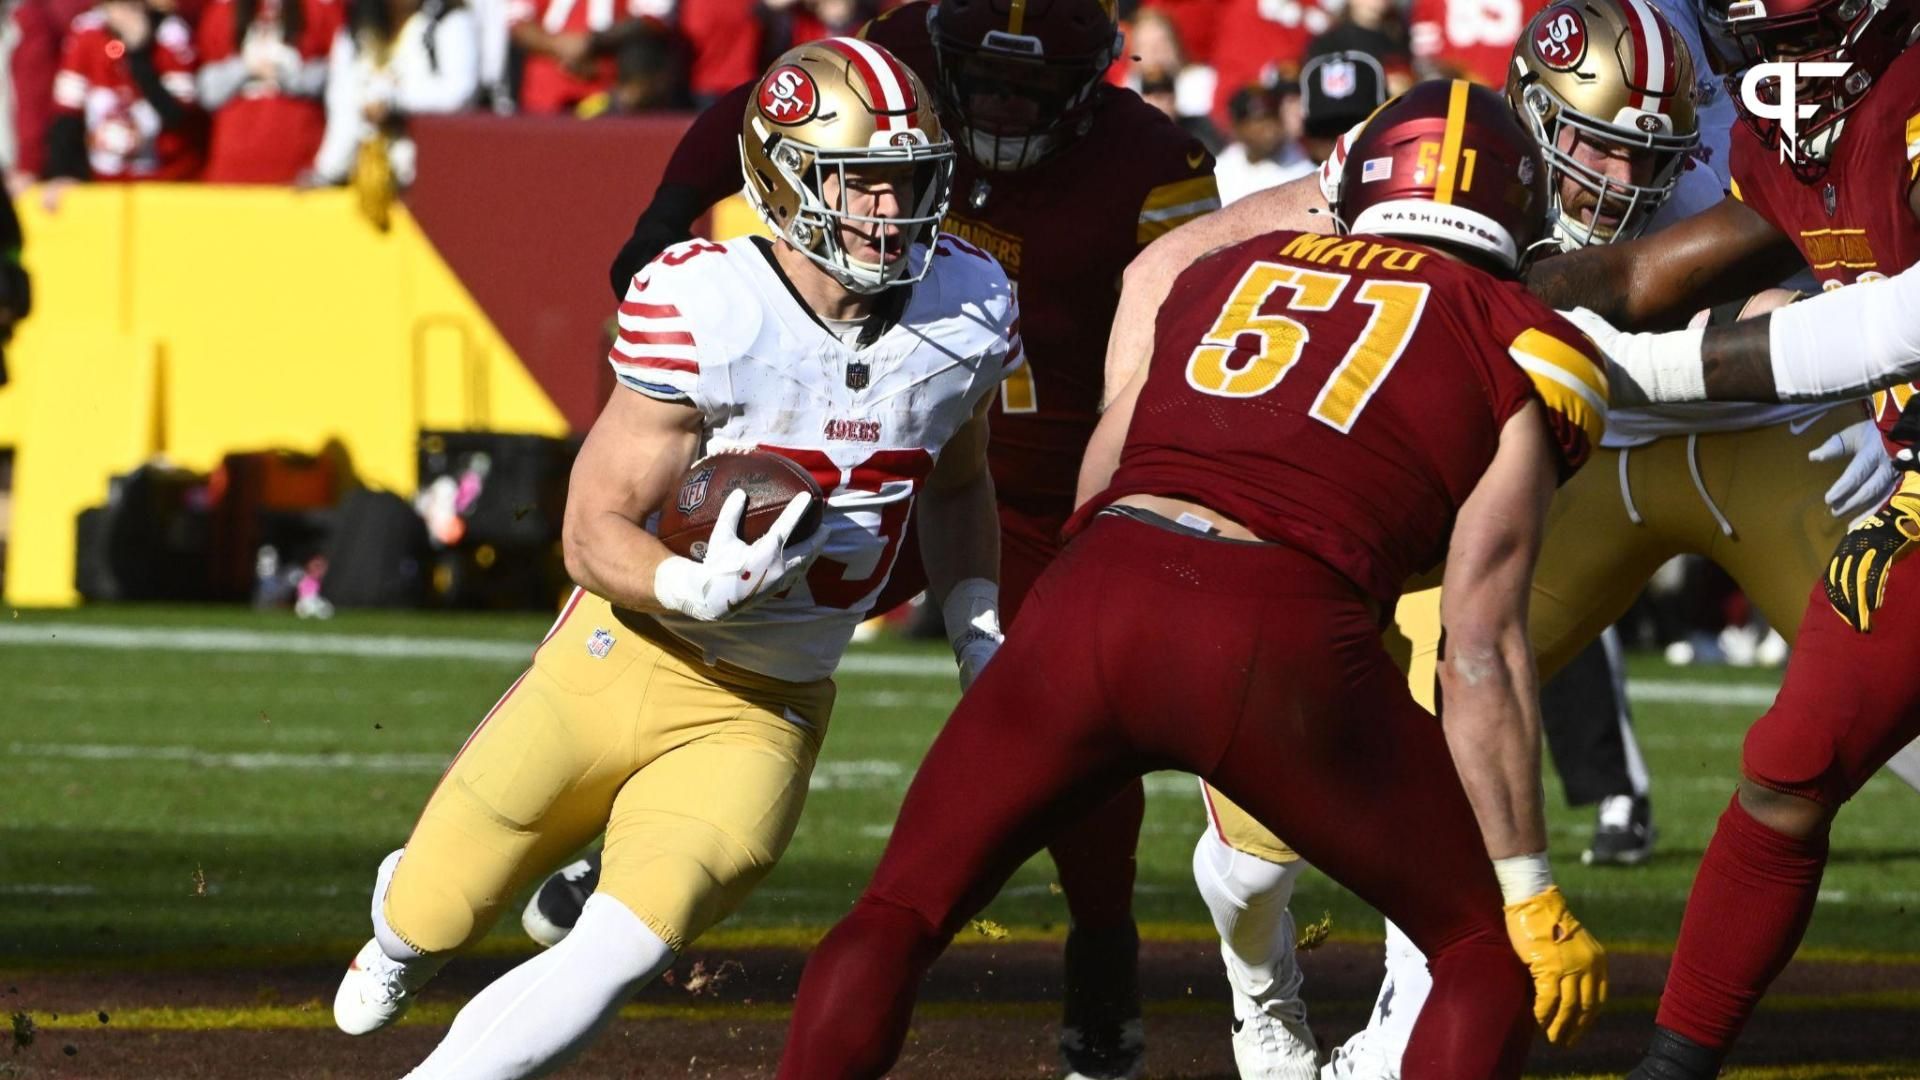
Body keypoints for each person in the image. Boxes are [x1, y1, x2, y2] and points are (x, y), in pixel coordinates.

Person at [776, 79, 1611, 1080]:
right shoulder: (1520, 336)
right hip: (1278, 629)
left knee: (899, 912)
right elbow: (1479, 642)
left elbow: (1104, 474)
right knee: (1482, 955)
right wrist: (1527, 886)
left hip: (1101, 590)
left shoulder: (1237, 271)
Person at [522, 1, 1223, 1074]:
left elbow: (1171, 337)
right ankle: (619, 849)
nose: (995, 109)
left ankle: (1103, 944)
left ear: (1087, 83)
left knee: (1071, 728)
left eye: (1026, 91)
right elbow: (749, 111)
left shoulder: (1154, 160)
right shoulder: (891, 74)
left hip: (1039, 488)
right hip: (871, 447)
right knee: (698, 605)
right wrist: (668, 209)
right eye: (979, 82)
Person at [328, 37, 1019, 1080]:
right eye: (861, 184)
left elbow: (961, 480)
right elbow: (590, 525)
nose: (890, 213)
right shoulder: (708, 305)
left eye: (906, 184)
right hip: (621, 655)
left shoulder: (965, 307)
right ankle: (398, 930)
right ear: (786, 182)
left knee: (616, 952)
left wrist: (975, 627)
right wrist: (691, 582)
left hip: (769, 704)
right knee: (441, 906)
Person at [307, 0, 478, 188]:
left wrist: (394, 100)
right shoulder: (357, 25)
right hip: (366, 176)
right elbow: (341, 100)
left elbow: (459, 93)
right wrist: (329, 170)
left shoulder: (448, 19)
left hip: (430, 178)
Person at [45, 0, 203, 194]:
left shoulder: (171, 35)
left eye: (130, 5)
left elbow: (177, 116)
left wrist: (138, 54)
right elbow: (68, 112)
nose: (122, 14)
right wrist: (64, 172)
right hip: (103, 182)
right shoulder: (87, 32)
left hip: (166, 182)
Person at [195, 0, 345, 182]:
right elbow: (206, 90)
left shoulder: (321, 8)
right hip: (232, 169)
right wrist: (246, 68)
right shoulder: (223, 10)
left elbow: (342, 79)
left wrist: (286, 73)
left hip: (300, 170)